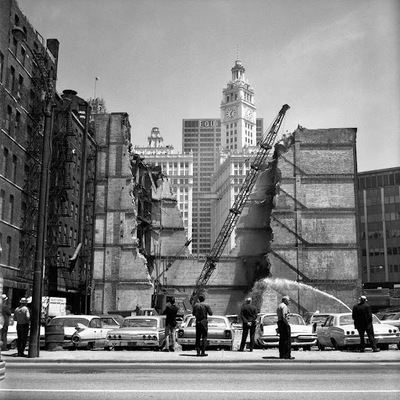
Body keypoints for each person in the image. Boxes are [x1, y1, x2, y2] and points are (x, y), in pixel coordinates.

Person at [277, 295, 294, 359]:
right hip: (284, 323)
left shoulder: (279, 305)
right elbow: (284, 316)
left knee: (282, 339)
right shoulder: (284, 306)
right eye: (288, 300)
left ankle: (281, 354)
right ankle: (286, 355)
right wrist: (287, 324)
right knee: (287, 340)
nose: (289, 301)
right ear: (285, 300)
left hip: (280, 323)